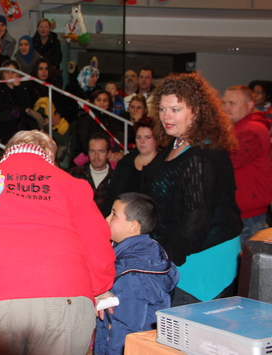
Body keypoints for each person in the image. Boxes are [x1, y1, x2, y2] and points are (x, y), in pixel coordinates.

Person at [0, 130, 116, 354]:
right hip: (63, 298)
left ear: (9, 152)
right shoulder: (72, 184)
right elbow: (98, 246)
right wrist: (100, 288)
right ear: (48, 154)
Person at [142, 72, 242, 306]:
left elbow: (195, 223)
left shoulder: (202, 156)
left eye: (175, 110)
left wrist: (157, 260)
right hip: (182, 252)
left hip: (203, 260)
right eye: (163, 109)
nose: (166, 116)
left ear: (196, 111)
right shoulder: (177, 142)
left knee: (187, 333)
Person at [95, 193, 179, 355]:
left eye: (114, 214)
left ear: (133, 226)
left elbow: (126, 331)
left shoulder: (131, 275)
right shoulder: (152, 252)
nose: (106, 218)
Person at [222, 86, 272, 244]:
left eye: (232, 103)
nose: (226, 108)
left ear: (250, 105)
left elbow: (227, 163)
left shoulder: (252, 130)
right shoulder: (237, 128)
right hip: (240, 212)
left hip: (248, 215)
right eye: (224, 103)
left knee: (246, 265)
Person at [103, 118, 158, 215]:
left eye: (147, 137)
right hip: (120, 221)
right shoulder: (125, 163)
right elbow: (111, 195)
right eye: (138, 137)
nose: (142, 141)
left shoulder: (163, 166)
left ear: (156, 139)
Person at [0, 60, 37, 144]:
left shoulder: (24, 87)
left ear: (18, 74)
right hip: (0, 122)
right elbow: (1, 106)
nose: (10, 75)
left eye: (13, 72)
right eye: (7, 72)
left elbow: (27, 104)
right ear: (2, 74)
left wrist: (18, 88)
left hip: (19, 122)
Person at [70, 133, 115, 215]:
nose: (96, 156)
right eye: (92, 151)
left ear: (108, 154)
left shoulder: (116, 178)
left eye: (101, 151)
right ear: (88, 153)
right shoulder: (75, 173)